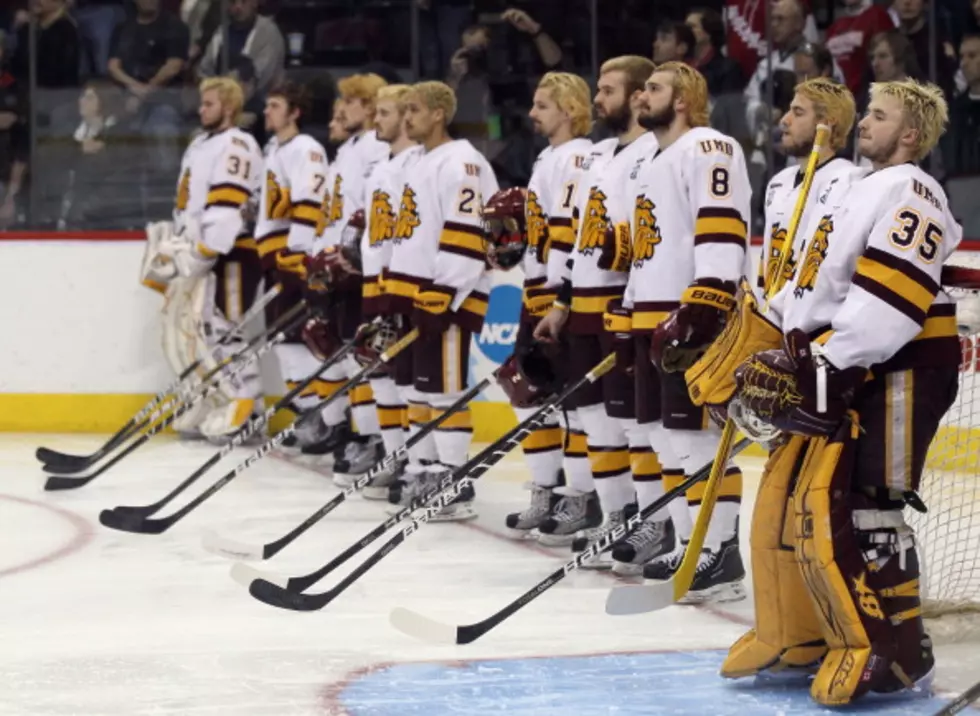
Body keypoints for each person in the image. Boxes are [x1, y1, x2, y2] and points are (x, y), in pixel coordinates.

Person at [722, 78, 961, 707]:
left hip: (901, 363)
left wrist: (829, 358)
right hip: (850, 362)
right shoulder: (854, 189)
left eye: (879, 116)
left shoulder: (914, 189)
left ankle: (904, 652)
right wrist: (779, 343)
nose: (865, 123)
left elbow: (891, 298)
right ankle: (821, 634)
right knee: (818, 504)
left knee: (872, 506)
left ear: (910, 134)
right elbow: (810, 283)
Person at [613, 62, 749, 600]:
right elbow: (648, 248)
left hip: (688, 313)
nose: (642, 95)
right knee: (664, 438)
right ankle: (693, 543)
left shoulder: (709, 146)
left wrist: (705, 306)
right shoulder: (651, 159)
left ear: (684, 100)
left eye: (654, 88)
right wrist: (627, 310)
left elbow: (721, 227)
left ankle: (723, 555)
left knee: (698, 440)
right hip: (650, 312)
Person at [533, 56, 662, 570]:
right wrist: (562, 300)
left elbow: (644, 239)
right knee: (595, 420)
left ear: (635, 97)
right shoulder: (601, 155)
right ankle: (616, 516)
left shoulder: (655, 153)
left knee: (636, 424)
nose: (598, 99)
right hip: (583, 305)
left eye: (607, 90)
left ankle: (654, 521)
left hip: (619, 307)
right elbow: (583, 235)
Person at [383, 80, 500, 521]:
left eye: (413, 109)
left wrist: (445, 291)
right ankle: (425, 468)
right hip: (415, 292)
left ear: (438, 114)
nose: (406, 116)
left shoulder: (462, 162)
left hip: (447, 297)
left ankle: (455, 479)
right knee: (416, 387)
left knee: (447, 389)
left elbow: (469, 232)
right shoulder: (415, 160)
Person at [492, 72, 594, 539]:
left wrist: (562, 298)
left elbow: (572, 233)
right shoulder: (548, 157)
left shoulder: (575, 158)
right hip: (537, 293)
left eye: (542, 105)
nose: (532, 114)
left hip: (555, 298)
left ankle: (580, 498)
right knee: (531, 396)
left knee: (572, 406)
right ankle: (546, 490)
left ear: (569, 109)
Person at [139, 76, 264, 441]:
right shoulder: (199, 144)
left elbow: (227, 206)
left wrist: (205, 249)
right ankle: (219, 402)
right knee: (198, 332)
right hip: (201, 252)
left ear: (228, 107)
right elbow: (190, 205)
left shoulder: (238, 143)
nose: (201, 109)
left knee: (228, 330)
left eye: (209, 104)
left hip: (232, 253)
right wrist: (181, 244)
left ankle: (248, 410)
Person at [338, 82, 424, 495]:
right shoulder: (385, 167)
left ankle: (421, 464)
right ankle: (397, 455)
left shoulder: (416, 166)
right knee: (380, 374)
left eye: (385, 113)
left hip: (400, 286)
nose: (378, 120)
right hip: (375, 283)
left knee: (407, 380)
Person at [307, 73, 390, 473]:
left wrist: (351, 254)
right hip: (338, 264)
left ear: (371, 106)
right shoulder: (350, 148)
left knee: (361, 355)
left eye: (352, 102)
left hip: (357, 267)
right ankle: (355, 430)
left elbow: (371, 209)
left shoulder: (375, 146)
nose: (343, 108)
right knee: (338, 348)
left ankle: (373, 437)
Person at [253, 81, 333, 453]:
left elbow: (309, 205)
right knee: (283, 338)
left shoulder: (307, 150)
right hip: (275, 258)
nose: (267, 111)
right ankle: (309, 414)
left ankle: (320, 419)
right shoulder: (275, 149)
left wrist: (297, 258)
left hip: (293, 260)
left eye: (275, 105)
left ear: (294, 112)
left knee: (301, 339)